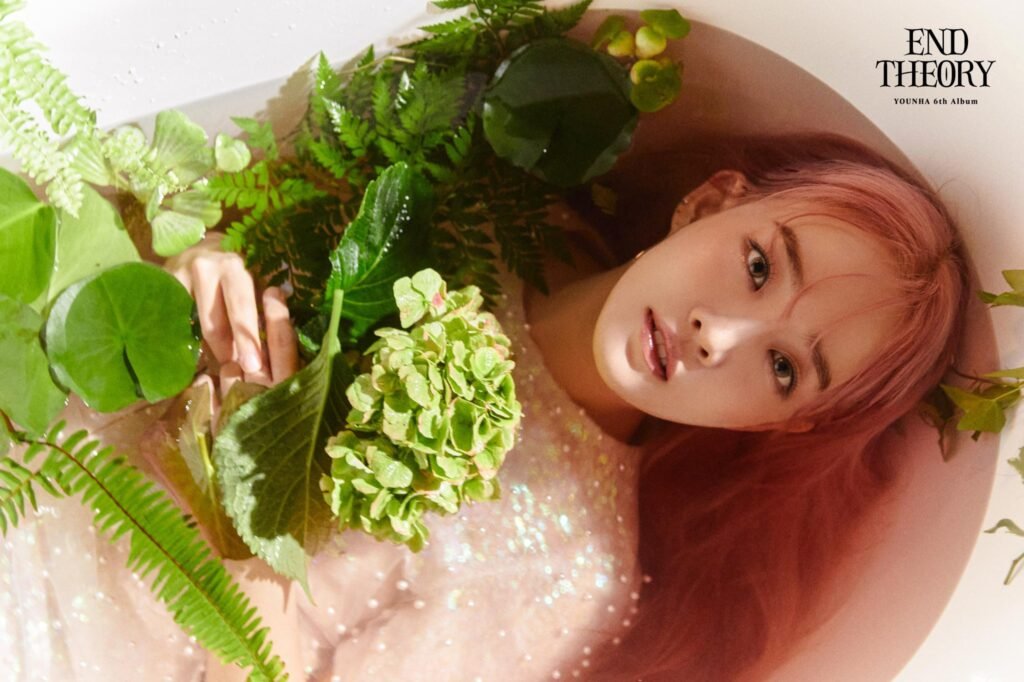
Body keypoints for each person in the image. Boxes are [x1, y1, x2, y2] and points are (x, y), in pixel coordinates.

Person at [0, 131, 969, 682]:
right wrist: (193, 257)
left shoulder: (575, 569)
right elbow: (198, 205)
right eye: (758, 266)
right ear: (713, 202)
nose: (720, 334)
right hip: (33, 417)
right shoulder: (495, 207)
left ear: (777, 424)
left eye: (785, 368)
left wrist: (250, 506)